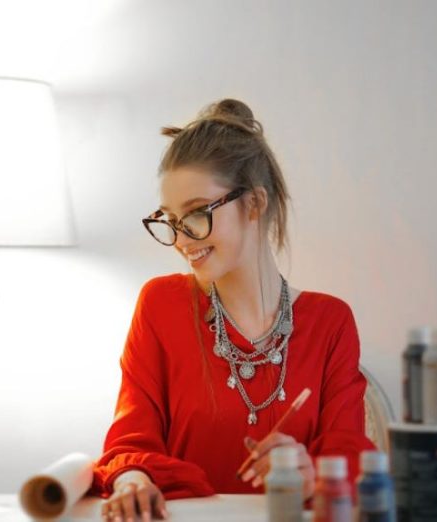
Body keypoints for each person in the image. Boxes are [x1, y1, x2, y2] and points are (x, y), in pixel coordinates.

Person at [92, 99, 376, 522]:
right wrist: (132, 479)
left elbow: (348, 453)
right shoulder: (160, 306)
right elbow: (130, 443)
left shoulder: (329, 322)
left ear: (255, 204)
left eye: (196, 214)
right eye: (169, 219)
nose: (182, 240)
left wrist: (310, 469)